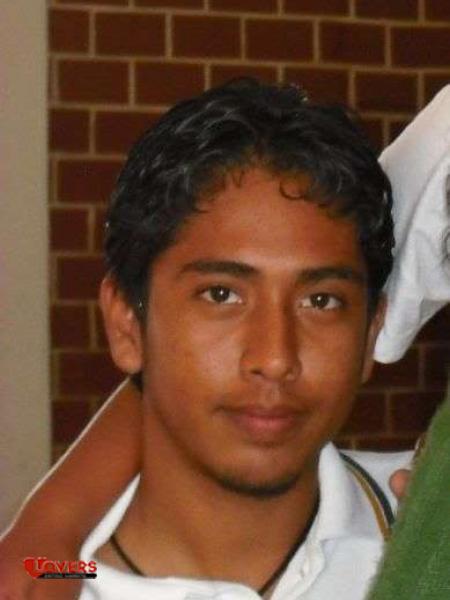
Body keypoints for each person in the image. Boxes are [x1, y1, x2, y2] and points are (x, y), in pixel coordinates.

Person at [1, 79, 414, 599]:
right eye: (221, 294)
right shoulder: (48, 583)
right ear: (126, 323)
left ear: (372, 331)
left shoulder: (424, 528)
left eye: (321, 301)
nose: (275, 357)